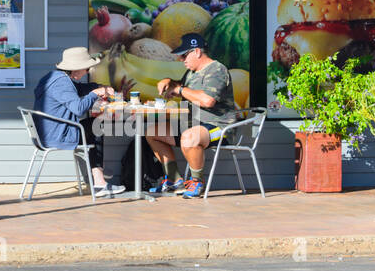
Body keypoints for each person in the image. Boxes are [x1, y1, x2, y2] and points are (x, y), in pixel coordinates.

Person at [144, 33, 241, 198]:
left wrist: (179, 90)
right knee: (153, 133)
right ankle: (174, 180)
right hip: (192, 124)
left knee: (189, 137)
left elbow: (207, 100)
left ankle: (197, 181)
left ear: (197, 52)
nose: (181, 60)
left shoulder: (217, 70)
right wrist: (169, 82)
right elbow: (182, 87)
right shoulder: (191, 72)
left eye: (184, 55)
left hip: (220, 126)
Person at [32, 47, 125, 197]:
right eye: (87, 69)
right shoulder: (62, 83)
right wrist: (95, 94)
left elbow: (79, 89)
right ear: (76, 69)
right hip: (58, 134)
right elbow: (78, 109)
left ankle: (99, 181)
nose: (88, 72)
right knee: (97, 126)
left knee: (93, 127)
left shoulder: (55, 77)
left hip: (50, 131)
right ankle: (100, 182)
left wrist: (99, 87)